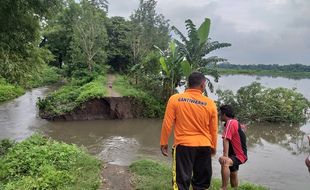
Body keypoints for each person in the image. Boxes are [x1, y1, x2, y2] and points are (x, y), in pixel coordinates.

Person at [160, 72, 218, 190]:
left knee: (181, 182)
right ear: (203, 85)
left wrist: (164, 142)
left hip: (183, 146)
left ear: (188, 84)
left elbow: (167, 123)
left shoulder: (175, 99)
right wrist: (213, 146)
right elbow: (214, 129)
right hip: (204, 145)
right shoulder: (210, 103)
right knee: (201, 183)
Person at [218, 105, 247, 190]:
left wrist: (225, 156)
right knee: (233, 173)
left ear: (224, 114)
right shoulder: (235, 122)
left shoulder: (230, 122)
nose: (219, 115)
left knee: (224, 162)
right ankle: (235, 188)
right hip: (236, 154)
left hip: (238, 155)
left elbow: (226, 139)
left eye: (220, 113)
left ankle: (223, 188)